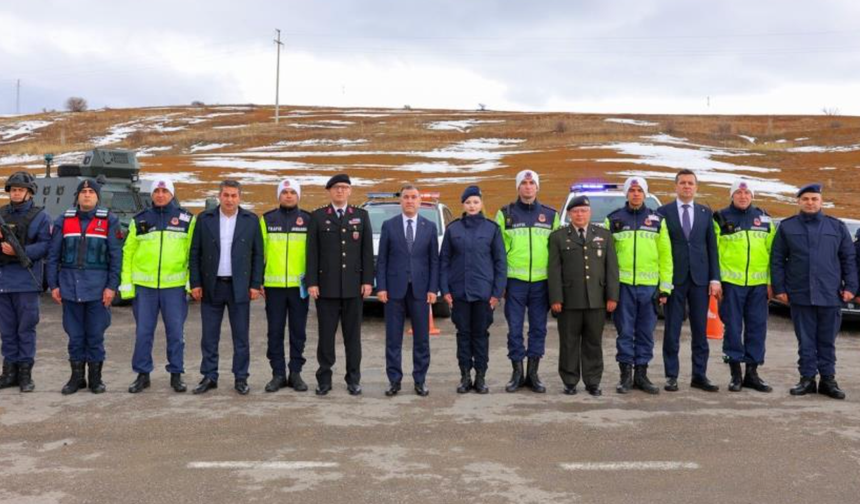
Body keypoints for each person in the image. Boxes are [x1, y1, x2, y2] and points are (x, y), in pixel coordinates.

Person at [771, 183, 857, 400]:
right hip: (801, 294)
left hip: (831, 294)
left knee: (827, 341)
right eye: (806, 199)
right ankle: (807, 379)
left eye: (814, 199)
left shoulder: (836, 227)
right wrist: (780, 288)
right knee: (806, 340)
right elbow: (778, 259)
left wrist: (852, 288)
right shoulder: (788, 227)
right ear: (799, 202)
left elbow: (849, 259)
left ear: (821, 201)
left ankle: (828, 380)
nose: (810, 202)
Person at [47, 178, 123, 395]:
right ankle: (76, 378)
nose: (87, 194)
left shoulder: (109, 221)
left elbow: (116, 257)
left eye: (91, 191)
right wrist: (53, 284)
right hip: (70, 288)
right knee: (75, 336)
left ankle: (96, 379)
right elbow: (53, 256)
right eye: (83, 191)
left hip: (97, 291)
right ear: (78, 196)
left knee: (95, 335)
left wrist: (111, 287)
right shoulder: (63, 220)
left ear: (97, 196)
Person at [120, 178, 195, 394]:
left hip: (175, 287)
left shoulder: (186, 220)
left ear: (171, 193)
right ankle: (142, 374)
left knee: (175, 333)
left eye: (165, 191)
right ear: (152, 194)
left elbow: (193, 254)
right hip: (145, 288)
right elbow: (128, 253)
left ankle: (176, 374)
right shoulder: (140, 220)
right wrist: (127, 285)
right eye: (157, 191)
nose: (160, 194)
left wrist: (190, 283)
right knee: (143, 333)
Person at [189, 180, 263, 395]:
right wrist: (195, 283)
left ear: (240, 197)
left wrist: (255, 284)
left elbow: (258, 255)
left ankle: (241, 377)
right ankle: (209, 376)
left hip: (239, 287)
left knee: (241, 336)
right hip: (212, 286)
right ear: (219, 196)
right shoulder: (205, 219)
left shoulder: (251, 220)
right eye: (226, 195)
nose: (230, 199)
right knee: (209, 336)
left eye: (234, 195)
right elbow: (195, 253)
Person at [306, 174, 374, 396]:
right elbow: (312, 253)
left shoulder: (361, 216)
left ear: (350, 191)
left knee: (352, 338)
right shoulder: (317, 217)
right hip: (326, 288)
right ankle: (324, 380)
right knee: (326, 337)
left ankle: (353, 379)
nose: (340, 191)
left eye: (345, 188)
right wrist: (312, 282)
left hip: (354, 288)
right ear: (329, 191)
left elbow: (366, 251)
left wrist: (367, 281)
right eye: (336, 188)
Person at [605, 177, 672, 395]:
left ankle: (641, 375)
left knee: (645, 333)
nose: (635, 194)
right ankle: (625, 376)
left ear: (645, 194)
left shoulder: (657, 220)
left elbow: (665, 256)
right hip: (623, 287)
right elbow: (607, 258)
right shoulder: (613, 220)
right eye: (632, 190)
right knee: (624, 332)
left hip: (649, 288)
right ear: (626, 193)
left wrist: (665, 287)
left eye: (639, 190)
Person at [495, 169, 560, 393]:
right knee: (514, 329)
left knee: (538, 329)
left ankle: (533, 373)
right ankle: (517, 372)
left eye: (532, 183)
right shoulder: (505, 214)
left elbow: (556, 253)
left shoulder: (551, 215)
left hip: (541, 283)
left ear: (537, 187)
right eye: (524, 183)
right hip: (515, 283)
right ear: (518, 187)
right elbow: (499, 253)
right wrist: (500, 283)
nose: (528, 187)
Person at [548, 196, 619, 396]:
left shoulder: (604, 236)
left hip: (596, 299)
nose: (580, 214)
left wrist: (612, 296)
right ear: (570, 214)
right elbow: (554, 270)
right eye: (576, 211)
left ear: (589, 213)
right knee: (569, 342)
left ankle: (593, 381)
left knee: (593, 342)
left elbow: (612, 269)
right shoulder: (558, 237)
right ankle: (570, 381)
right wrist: (555, 298)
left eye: (584, 211)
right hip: (569, 301)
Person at [658, 169, 721, 393]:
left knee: (699, 329)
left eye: (690, 183)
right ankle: (671, 376)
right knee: (672, 328)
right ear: (676, 186)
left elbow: (712, 248)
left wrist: (715, 278)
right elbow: (659, 248)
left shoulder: (705, 213)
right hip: (674, 279)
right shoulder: (663, 212)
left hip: (700, 279)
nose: (687, 187)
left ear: (696, 187)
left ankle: (699, 375)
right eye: (683, 183)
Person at [440, 185, 506, 394]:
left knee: (480, 335)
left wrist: (496, 294)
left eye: (475, 202)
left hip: (483, 294)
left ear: (481, 203)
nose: (472, 205)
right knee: (463, 335)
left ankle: (481, 377)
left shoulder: (491, 229)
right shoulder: (453, 229)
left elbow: (500, 264)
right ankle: (465, 376)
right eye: (468, 202)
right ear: (463, 205)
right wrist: (445, 290)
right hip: (459, 293)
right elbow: (444, 262)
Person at [376, 185, 439, 397]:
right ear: (400, 201)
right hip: (394, 290)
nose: (410, 201)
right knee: (393, 339)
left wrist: (433, 288)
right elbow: (382, 259)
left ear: (419, 201)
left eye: (413, 197)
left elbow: (434, 261)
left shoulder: (429, 227)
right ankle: (394, 381)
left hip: (421, 291)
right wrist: (381, 287)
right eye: (406, 197)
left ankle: (420, 380)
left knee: (421, 339)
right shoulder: (389, 226)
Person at [713, 180, 776, 392]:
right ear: (732, 196)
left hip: (758, 286)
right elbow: (714, 253)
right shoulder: (720, 217)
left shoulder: (765, 218)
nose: (743, 196)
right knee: (732, 328)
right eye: (739, 193)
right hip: (731, 285)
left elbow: (772, 253)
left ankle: (752, 373)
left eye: (747, 193)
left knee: (757, 328)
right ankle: (735, 374)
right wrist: (717, 280)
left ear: (752, 196)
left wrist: (770, 282)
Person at [0, 172, 51, 393]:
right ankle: (9, 372)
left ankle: (25, 375)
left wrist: (18, 251)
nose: (16, 193)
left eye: (20, 189)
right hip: (3, 282)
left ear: (29, 192)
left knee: (26, 329)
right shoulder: (1, 214)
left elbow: (45, 246)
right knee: (7, 330)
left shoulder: (41, 217)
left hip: (26, 282)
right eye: (13, 189)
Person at [260, 178, 311, 393]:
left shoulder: (308, 219)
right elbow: (258, 253)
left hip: (300, 288)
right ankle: (278, 374)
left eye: (292, 192)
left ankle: (296, 373)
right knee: (275, 332)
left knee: (298, 332)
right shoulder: (267, 219)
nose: (288, 195)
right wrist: (258, 280)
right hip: (274, 288)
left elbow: (314, 254)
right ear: (278, 195)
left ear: (298, 195)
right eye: (284, 192)